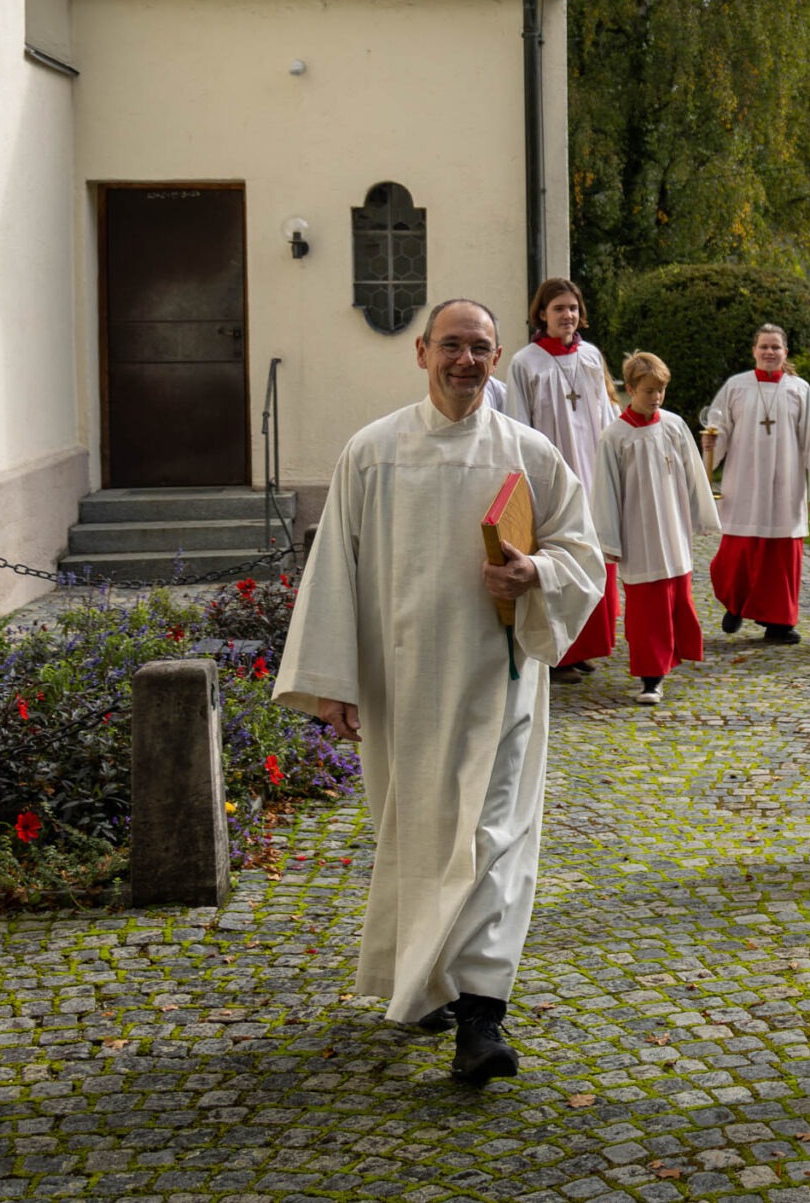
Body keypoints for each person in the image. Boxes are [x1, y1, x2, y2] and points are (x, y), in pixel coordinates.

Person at [273, 298, 608, 1083]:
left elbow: (582, 553)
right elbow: (335, 573)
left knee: (493, 840)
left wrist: (538, 571)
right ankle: (423, 979)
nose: (466, 359)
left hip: (500, 681)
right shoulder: (373, 451)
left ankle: (482, 1017)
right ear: (422, 351)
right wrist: (333, 681)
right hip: (403, 683)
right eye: (451, 345)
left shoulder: (528, 453)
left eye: (480, 347)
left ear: (498, 358)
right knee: (416, 836)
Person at [590, 352, 720, 706]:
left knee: (676, 597)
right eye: (648, 391)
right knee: (647, 608)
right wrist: (609, 540)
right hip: (640, 532)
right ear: (630, 389)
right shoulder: (615, 436)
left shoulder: (674, 426)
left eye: (661, 390)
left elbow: (694, 474)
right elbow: (605, 492)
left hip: (673, 527)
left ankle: (670, 660)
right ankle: (651, 677)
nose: (656, 397)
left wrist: (700, 516)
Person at [506, 278, 616, 676]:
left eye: (572, 308)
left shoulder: (590, 357)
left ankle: (584, 647)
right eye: (558, 309)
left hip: (591, 469)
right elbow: (518, 423)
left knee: (589, 556)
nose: (567, 315)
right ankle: (557, 654)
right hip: (551, 474)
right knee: (558, 556)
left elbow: (605, 414)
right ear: (542, 314)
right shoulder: (526, 362)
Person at [701, 323, 810, 643]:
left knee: (781, 557)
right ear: (754, 350)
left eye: (776, 347)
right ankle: (735, 603)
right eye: (764, 347)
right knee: (737, 552)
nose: (769, 352)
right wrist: (711, 449)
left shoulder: (799, 389)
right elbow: (720, 428)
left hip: (787, 483)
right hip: (744, 481)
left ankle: (779, 623)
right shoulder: (736, 386)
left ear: (786, 352)